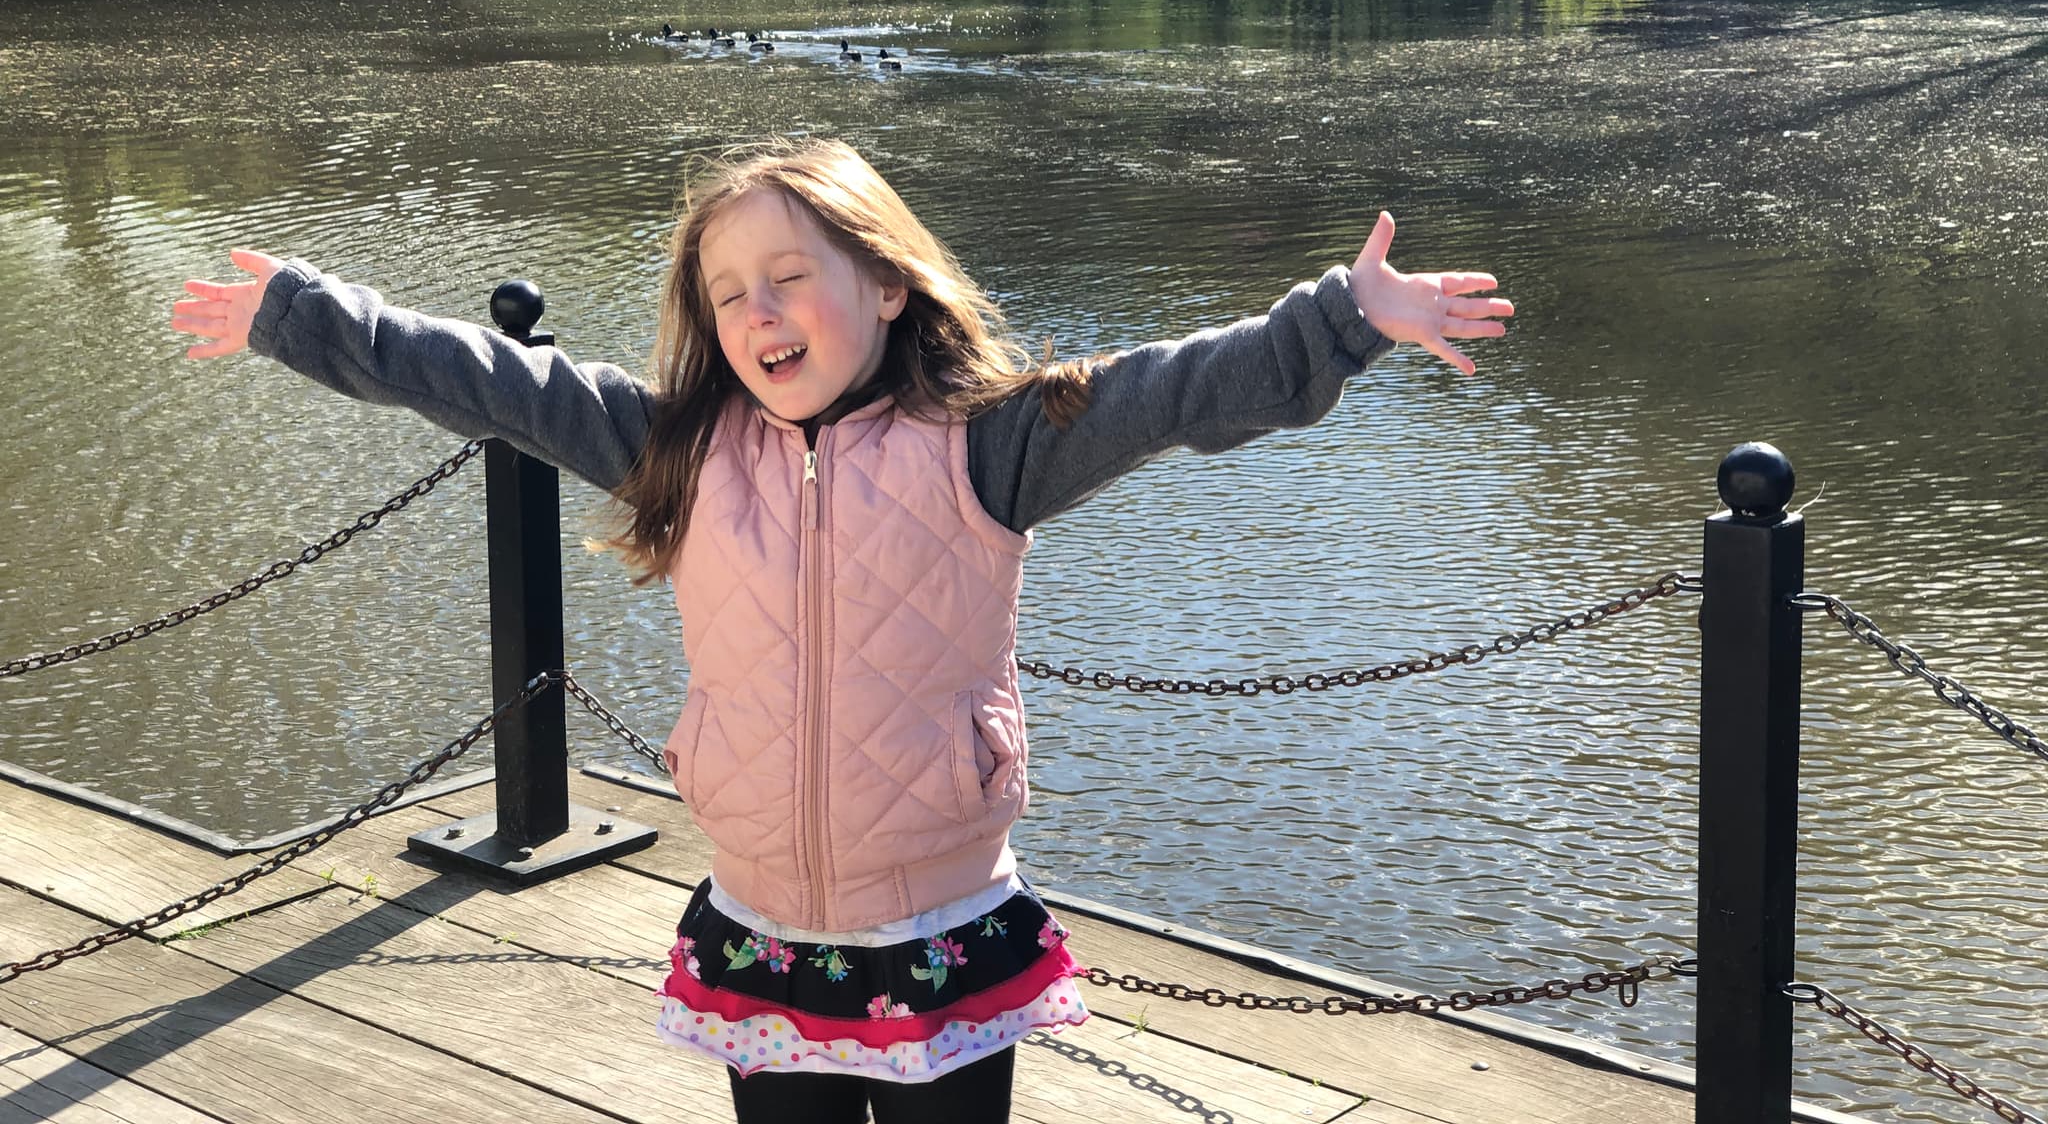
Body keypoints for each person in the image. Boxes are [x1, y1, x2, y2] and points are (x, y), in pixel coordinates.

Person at [168, 140, 1513, 1124]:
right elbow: (490, 379)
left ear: (884, 284)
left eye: (789, 277)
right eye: (726, 292)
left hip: (943, 930)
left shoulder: (989, 445)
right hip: (763, 930)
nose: (756, 314)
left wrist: (1342, 321)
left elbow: (1175, 393)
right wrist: (302, 316)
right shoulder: (678, 451)